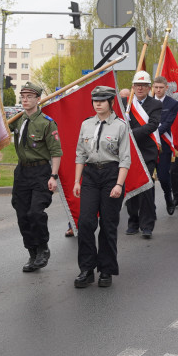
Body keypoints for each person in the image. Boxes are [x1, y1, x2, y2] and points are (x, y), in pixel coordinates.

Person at [72, 86, 131, 288]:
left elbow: (125, 158)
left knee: (108, 224)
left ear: (111, 102)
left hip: (111, 175)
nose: (98, 104)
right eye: (95, 100)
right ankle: (86, 269)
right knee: (86, 222)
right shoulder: (86, 125)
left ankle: (106, 269)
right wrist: (76, 181)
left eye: (102, 100)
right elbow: (80, 154)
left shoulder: (121, 126)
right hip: (90, 175)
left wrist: (118, 184)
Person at [8, 81, 62, 272]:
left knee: (35, 212)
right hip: (22, 172)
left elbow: (56, 152)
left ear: (38, 99)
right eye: (22, 97)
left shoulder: (46, 123)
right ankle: (32, 252)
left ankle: (43, 249)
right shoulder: (18, 120)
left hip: (41, 172)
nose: (25, 100)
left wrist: (53, 176)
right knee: (22, 214)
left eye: (29, 97)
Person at [124, 71, 161, 238]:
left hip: (146, 152)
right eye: (137, 85)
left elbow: (153, 125)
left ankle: (147, 225)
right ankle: (133, 221)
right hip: (128, 151)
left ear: (148, 87)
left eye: (143, 85)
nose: (140, 88)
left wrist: (131, 133)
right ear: (133, 87)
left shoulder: (155, 104)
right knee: (131, 188)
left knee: (146, 189)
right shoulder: (126, 104)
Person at [151, 76, 178, 215]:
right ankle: (150, 208)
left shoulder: (172, 103)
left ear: (166, 88)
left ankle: (168, 197)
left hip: (164, 144)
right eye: (156, 87)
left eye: (161, 87)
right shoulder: (148, 102)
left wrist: (150, 132)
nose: (158, 90)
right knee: (148, 178)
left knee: (162, 176)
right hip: (148, 145)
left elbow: (168, 123)